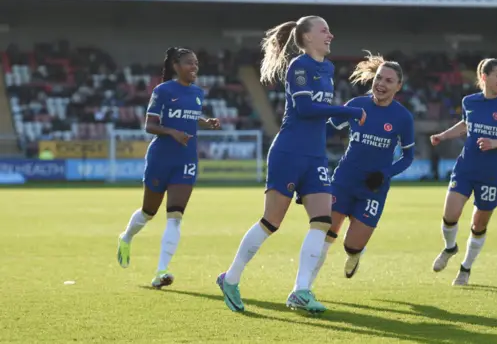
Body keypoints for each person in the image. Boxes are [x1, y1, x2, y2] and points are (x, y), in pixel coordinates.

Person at [217, 16, 366, 314]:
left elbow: (322, 112)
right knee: (272, 221)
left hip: (315, 157)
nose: (331, 35)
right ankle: (230, 278)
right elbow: (306, 107)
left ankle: (300, 290)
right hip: (288, 152)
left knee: (322, 222)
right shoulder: (300, 67)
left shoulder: (327, 68)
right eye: (324, 30)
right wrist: (345, 111)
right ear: (307, 37)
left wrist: (341, 116)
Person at [305, 53, 414, 286]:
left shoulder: (403, 118)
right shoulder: (356, 105)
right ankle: (305, 287)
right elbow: (327, 130)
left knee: (351, 245)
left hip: (373, 188)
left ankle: (356, 254)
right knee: (325, 232)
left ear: (398, 86)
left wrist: (385, 174)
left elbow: (408, 157)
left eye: (388, 81)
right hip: (344, 180)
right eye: (379, 78)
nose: (381, 84)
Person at [116, 47, 220, 289]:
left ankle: (161, 272)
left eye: (196, 63)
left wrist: (206, 122)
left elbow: (190, 116)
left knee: (175, 217)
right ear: (176, 66)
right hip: (160, 158)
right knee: (148, 212)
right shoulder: (162, 91)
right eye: (188, 63)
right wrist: (172, 132)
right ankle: (126, 236)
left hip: (186, 160)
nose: (194, 67)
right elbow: (150, 125)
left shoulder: (197, 93)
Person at [430, 58, 497, 286]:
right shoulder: (469, 101)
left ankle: (465, 268)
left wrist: (495, 143)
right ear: (484, 77)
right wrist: (443, 136)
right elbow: (466, 125)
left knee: (479, 224)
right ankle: (449, 248)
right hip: (465, 167)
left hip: (490, 174)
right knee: (450, 215)